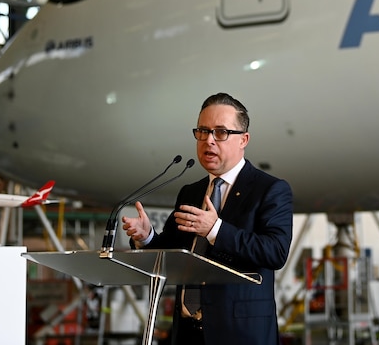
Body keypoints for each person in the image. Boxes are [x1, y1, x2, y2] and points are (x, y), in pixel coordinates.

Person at [122, 92, 293, 345]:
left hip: (240, 334)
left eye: (221, 132)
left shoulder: (269, 189)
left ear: (243, 140)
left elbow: (275, 252)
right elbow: (172, 254)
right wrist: (146, 237)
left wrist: (215, 230)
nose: (209, 140)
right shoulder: (191, 192)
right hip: (188, 333)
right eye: (202, 131)